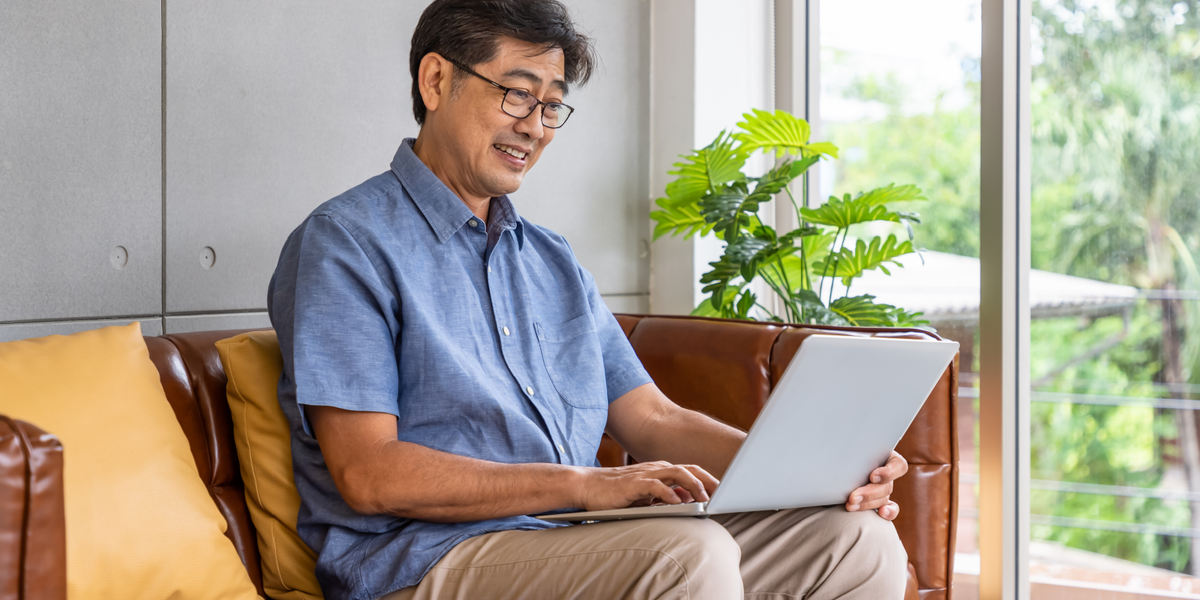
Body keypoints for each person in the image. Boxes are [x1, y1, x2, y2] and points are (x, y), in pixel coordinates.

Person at [267, 1, 910, 599]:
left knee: (855, 539)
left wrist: (818, 474)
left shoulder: (550, 260)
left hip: (577, 539)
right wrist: (585, 485)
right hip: (425, 561)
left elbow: (653, 420)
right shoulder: (346, 243)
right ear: (436, 81)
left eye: (552, 106)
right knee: (688, 553)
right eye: (518, 95)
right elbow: (369, 472)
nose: (536, 127)